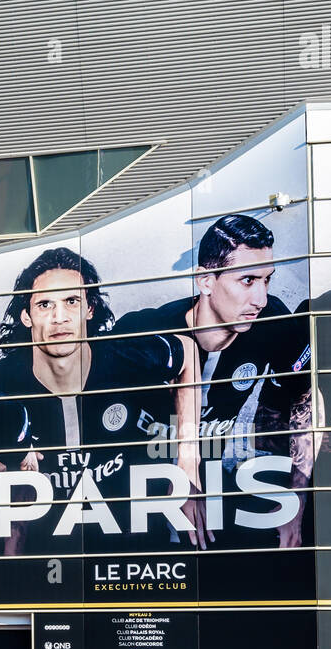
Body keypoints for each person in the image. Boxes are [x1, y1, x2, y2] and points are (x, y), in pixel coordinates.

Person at [0, 246, 202, 555]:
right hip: (51, 548)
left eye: (72, 302)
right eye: (45, 305)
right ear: (27, 316)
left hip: (129, 545)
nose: (60, 318)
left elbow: (187, 353)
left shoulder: (122, 357)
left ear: (89, 309)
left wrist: (187, 462)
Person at [114, 214, 316, 548]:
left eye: (267, 280)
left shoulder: (273, 323)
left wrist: (293, 505)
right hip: (134, 493)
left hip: (210, 491)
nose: (260, 299)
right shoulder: (145, 332)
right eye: (247, 280)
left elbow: (299, 403)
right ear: (206, 281)